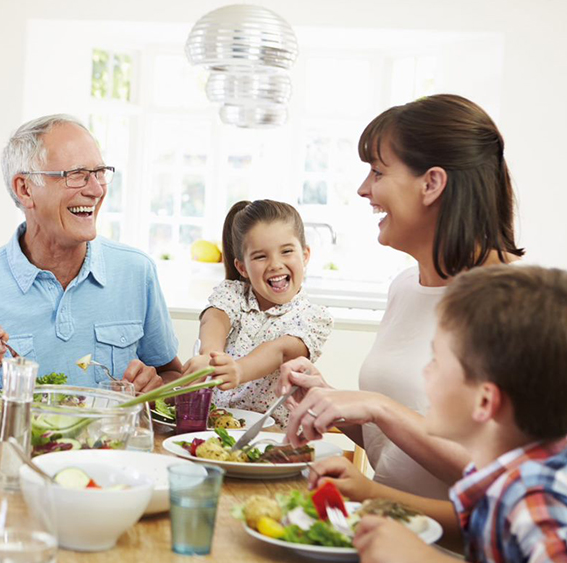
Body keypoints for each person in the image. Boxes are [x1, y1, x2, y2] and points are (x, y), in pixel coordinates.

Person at [278, 94, 524, 501]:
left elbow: (503, 483)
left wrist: (379, 407)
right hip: (384, 536)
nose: (362, 189)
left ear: (431, 183)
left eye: (377, 172)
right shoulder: (406, 286)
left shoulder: (517, 305)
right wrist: (333, 401)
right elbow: (394, 449)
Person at [0, 114, 182, 399]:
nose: (96, 189)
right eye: (76, 175)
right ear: (25, 189)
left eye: (99, 172)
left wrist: (158, 387)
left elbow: (172, 375)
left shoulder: (137, 272)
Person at [350, 265, 567, 563]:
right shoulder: (498, 476)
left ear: (484, 402)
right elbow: (474, 532)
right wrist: (373, 499)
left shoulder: (534, 494)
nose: (425, 372)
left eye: (436, 361)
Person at [181, 200, 332, 427]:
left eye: (287, 251)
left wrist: (238, 370)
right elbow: (215, 318)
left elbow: (280, 351)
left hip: (272, 437)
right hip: (214, 428)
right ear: (242, 267)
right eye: (261, 256)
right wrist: (210, 357)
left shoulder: (313, 317)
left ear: (305, 255)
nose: (275, 264)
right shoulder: (234, 293)